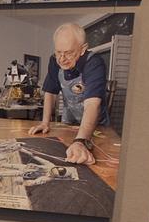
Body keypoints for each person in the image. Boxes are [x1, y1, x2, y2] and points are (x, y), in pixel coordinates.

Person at [28, 22, 108, 165]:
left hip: (96, 127)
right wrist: (45, 122)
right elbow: (50, 92)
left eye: (69, 52)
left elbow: (93, 104)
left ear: (83, 49)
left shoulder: (94, 63)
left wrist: (81, 141)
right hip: (69, 123)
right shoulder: (55, 61)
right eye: (59, 52)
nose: (62, 59)